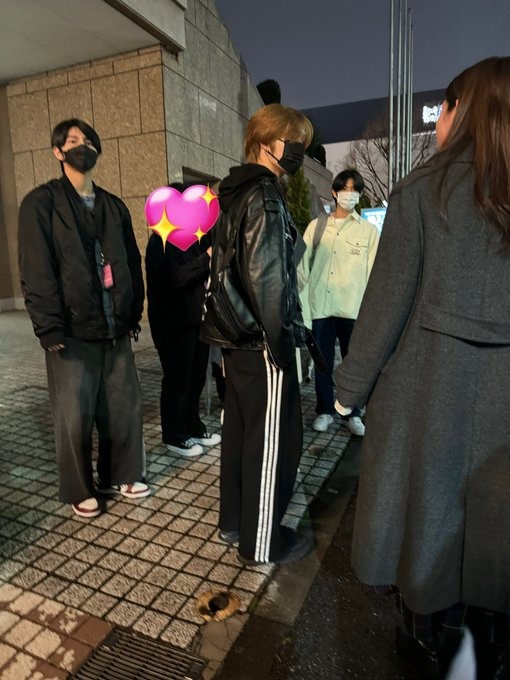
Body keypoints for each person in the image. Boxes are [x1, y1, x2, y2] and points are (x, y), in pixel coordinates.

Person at [334, 57, 510, 679]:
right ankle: (491, 645)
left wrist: (348, 390)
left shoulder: (423, 192)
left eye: (446, 108)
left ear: (464, 111)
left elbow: (385, 307)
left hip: (427, 394)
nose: (439, 122)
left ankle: (427, 644)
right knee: (496, 528)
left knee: (424, 521)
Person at [18, 118, 150, 519]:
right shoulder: (40, 204)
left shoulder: (113, 205)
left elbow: (130, 262)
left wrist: (133, 310)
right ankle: (79, 486)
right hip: (71, 330)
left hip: (115, 325)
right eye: (74, 141)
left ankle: (121, 474)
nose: (83, 146)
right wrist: (48, 325)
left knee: (123, 407)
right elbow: (36, 268)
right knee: (74, 414)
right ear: (58, 152)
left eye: (89, 140)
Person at [201, 103, 314, 565]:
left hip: (235, 337)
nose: (299, 150)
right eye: (294, 141)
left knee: (242, 432)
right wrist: (283, 345)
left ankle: (236, 522)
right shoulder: (265, 195)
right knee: (273, 442)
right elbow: (268, 280)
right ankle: (262, 542)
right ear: (266, 143)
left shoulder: (236, 192)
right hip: (261, 339)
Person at [298, 170, 379, 436]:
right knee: (322, 362)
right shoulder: (316, 227)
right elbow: (302, 268)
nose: (350, 194)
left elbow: (374, 273)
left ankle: (352, 412)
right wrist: (301, 306)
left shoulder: (368, 232)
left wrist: (371, 312)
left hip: (353, 309)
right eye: (345, 189)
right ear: (334, 192)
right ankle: (324, 410)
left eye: (355, 190)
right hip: (320, 306)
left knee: (353, 364)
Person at [145, 183, 221, 457]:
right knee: (178, 380)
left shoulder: (195, 239)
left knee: (197, 377)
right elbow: (176, 277)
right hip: (173, 325)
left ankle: (192, 425)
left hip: (198, 321)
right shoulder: (160, 242)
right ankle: (174, 435)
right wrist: (206, 259)